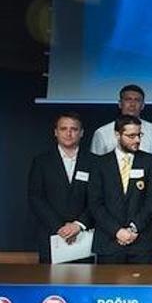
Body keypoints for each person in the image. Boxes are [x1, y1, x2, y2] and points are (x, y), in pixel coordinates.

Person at [88, 115, 152, 264]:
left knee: (143, 286)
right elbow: (95, 203)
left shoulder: (151, 162)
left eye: (139, 135)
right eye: (131, 136)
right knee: (108, 286)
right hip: (109, 242)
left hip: (142, 243)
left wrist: (133, 229)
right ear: (117, 134)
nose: (137, 140)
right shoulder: (100, 164)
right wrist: (117, 231)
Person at [28, 112, 96, 263]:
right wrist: (59, 227)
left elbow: (98, 199)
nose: (69, 133)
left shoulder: (94, 162)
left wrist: (78, 225)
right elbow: (35, 198)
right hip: (52, 235)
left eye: (74, 129)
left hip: (84, 235)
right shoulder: (41, 162)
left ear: (81, 133)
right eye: (63, 129)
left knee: (85, 283)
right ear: (55, 132)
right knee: (50, 283)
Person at [91, 84, 152, 155]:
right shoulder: (102, 133)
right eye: (128, 99)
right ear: (120, 104)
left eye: (137, 100)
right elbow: (95, 163)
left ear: (143, 105)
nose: (132, 104)